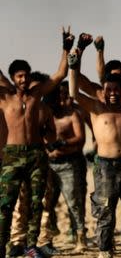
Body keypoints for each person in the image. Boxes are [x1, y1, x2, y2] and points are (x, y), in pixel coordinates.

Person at [0, 26, 72, 257]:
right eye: (19, 76)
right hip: (11, 154)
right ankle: (2, 245)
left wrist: (66, 48)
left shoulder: (36, 95)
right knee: (6, 204)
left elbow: (60, 74)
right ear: (12, 78)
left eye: (26, 75)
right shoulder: (4, 97)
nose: (23, 79)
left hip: (35, 153)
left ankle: (31, 246)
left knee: (35, 201)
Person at [69, 44, 121, 258]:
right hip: (105, 166)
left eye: (116, 89)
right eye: (108, 89)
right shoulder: (96, 107)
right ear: (103, 90)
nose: (112, 93)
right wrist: (73, 65)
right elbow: (74, 92)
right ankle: (105, 249)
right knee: (105, 210)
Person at [37, 81, 88, 253]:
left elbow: (80, 138)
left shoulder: (72, 114)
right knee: (47, 204)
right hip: (49, 165)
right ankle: (47, 241)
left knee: (74, 202)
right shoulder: (45, 114)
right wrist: (47, 149)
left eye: (63, 94)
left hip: (68, 164)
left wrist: (62, 143)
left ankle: (80, 238)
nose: (61, 97)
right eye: (57, 94)